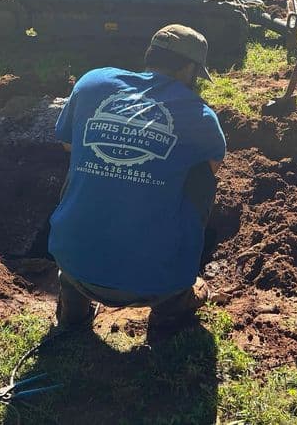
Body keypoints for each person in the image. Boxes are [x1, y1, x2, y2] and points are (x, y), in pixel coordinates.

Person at [49, 24, 226, 332]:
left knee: (84, 160)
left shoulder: (92, 83)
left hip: (72, 263)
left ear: (149, 56)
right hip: (153, 284)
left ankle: (73, 307)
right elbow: (211, 169)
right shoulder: (200, 116)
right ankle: (173, 303)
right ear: (189, 69)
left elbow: (67, 143)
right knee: (199, 177)